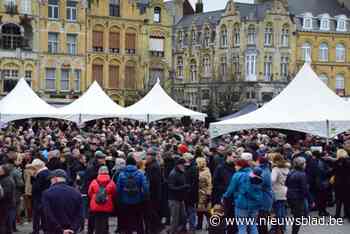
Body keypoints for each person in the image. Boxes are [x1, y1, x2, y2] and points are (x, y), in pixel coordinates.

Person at [223, 159, 263, 234]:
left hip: (242, 204)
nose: (235, 167)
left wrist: (224, 196)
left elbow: (231, 189)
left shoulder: (237, 175)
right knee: (253, 225)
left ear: (240, 166)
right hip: (255, 204)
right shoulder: (254, 174)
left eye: (236, 165)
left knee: (242, 226)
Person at [42, 169, 83, 234]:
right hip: (71, 231)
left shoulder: (47, 193)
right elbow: (80, 215)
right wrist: (73, 229)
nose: (50, 181)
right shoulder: (76, 193)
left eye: (51, 179)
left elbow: (48, 214)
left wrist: (60, 230)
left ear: (55, 179)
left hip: (53, 230)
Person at [117, 156, 149, 234]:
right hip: (137, 200)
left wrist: (120, 198)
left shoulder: (121, 174)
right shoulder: (140, 173)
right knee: (139, 220)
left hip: (125, 200)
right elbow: (145, 187)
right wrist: (144, 196)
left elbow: (118, 188)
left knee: (128, 220)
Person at [83, 150, 107, 234]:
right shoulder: (92, 168)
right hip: (93, 194)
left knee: (98, 214)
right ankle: (91, 230)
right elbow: (87, 182)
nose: (104, 159)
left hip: (100, 193)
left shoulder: (102, 166)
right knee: (93, 214)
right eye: (102, 158)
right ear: (97, 159)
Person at [88, 166, 116, 234]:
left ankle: (98, 231)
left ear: (99, 172)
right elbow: (114, 193)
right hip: (107, 204)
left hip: (96, 205)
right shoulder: (111, 182)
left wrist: (95, 198)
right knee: (105, 220)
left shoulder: (94, 181)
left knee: (97, 221)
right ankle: (105, 231)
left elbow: (89, 193)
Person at [213, 152, 236, 234]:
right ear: (228, 156)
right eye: (233, 156)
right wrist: (223, 190)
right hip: (224, 195)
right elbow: (215, 181)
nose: (235, 158)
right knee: (223, 215)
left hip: (234, 196)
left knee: (232, 217)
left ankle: (231, 231)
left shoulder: (235, 167)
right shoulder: (220, 167)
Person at [286, 157, 308, 234]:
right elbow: (304, 188)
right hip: (298, 197)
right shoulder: (302, 174)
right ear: (302, 165)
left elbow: (286, 183)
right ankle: (294, 232)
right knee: (298, 217)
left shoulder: (291, 172)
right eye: (305, 163)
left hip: (290, 195)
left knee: (296, 215)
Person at [28, 158, 51, 234]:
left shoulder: (41, 174)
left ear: (37, 166)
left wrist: (33, 177)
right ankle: (45, 230)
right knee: (44, 216)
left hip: (39, 198)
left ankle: (36, 231)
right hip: (44, 197)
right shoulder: (47, 172)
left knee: (37, 216)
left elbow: (36, 187)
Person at [167, 158, 189, 234]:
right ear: (179, 165)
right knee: (175, 219)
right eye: (183, 165)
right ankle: (172, 231)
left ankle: (178, 230)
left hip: (180, 198)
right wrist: (183, 187)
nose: (185, 166)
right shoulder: (173, 174)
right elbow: (171, 187)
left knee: (183, 217)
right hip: (174, 199)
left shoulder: (181, 172)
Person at [270, 153, 290, 234]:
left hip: (277, 191)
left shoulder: (276, 169)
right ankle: (283, 227)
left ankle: (278, 228)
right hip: (285, 190)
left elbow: (272, 180)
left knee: (277, 211)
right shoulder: (287, 168)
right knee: (283, 210)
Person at [145, 148, 162, 234]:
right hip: (153, 193)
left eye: (148, 155)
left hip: (153, 194)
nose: (146, 156)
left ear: (152, 156)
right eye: (147, 154)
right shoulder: (151, 165)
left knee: (152, 212)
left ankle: (155, 228)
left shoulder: (153, 166)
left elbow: (152, 181)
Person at [256, 156, 273, 234]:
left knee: (261, 222)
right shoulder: (265, 170)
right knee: (262, 222)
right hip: (265, 198)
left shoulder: (263, 172)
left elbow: (259, 185)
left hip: (263, 199)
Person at [332, 149, 350, 219]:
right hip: (347, 183)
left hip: (338, 183)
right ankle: (347, 214)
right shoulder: (348, 162)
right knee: (347, 200)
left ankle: (337, 215)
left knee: (338, 200)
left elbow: (333, 171)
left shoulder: (336, 162)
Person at [183, 152, 198, 233]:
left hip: (190, 194)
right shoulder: (190, 167)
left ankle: (192, 228)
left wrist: (188, 190)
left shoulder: (192, 168)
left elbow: (194, 182)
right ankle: (188, 227)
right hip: (188, 193)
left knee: (191, 211)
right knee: (188, 211)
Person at [196, 157, 212, 230]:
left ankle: (210, 225)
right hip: (199, 193)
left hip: (204, 193)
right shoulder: (198, 170)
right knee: (199, 211)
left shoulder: (206, 171)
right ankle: (199, 225)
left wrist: (208, 194)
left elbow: (209, 184)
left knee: (206, 211)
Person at [0, 164, 15, 234]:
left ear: (4, 171)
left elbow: (6, 194)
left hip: (5, 205)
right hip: (6, 205)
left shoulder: (6, 180)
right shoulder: (5, 179)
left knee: (4, 223)